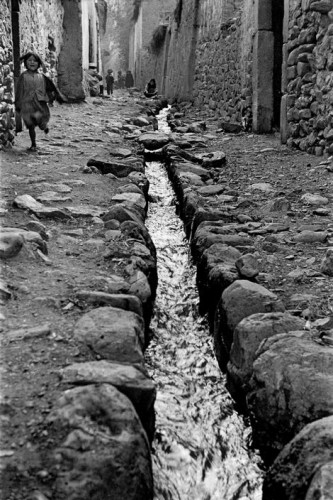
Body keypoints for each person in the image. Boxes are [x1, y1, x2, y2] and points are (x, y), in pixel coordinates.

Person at [15, 51, 67, 152]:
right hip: (27, 104)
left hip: (39, 103)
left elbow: (50, 88)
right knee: (30, 125)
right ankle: (33, 144)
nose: (32, 62)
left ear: (39, 63)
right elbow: (19, 90)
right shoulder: (23, 76)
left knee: (40, 117)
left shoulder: (42, 77)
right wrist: (18, 103)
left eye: (35, 61)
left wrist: (54, 97)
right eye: (29, 60)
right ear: (25, 63)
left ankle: (43, 125)